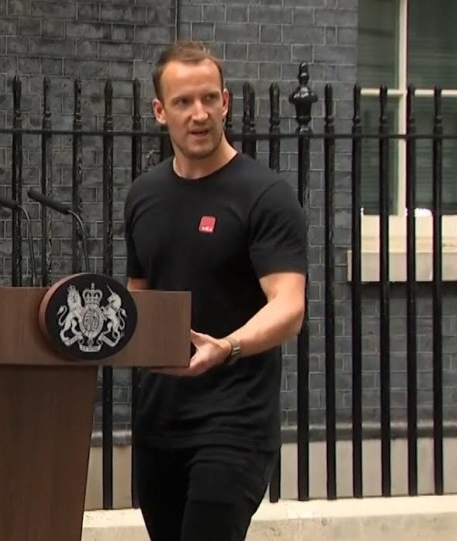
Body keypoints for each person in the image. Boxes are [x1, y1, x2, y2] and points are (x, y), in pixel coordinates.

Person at [123, 41, 307, 540]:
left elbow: (289, 306)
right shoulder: (144, 195)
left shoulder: (264, 195)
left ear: (225, 101)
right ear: (160, 111)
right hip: (159, 421)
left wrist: (227, 347)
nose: (198, 114)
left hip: (234, 422)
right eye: (183, 102)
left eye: (209, 98)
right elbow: (137, 299)